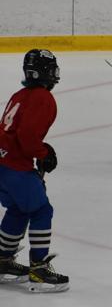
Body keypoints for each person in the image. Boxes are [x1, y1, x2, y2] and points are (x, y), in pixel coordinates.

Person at [0, 49, 69, 292]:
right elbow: (27, 136)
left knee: (19, 209)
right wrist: (43, 153)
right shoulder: (42, 97)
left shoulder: (20, 94)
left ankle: (2, 261)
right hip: (15, 167)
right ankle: (38, 270)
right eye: (51, 69)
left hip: (2, 163)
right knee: (41, 210)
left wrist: (41, 151)